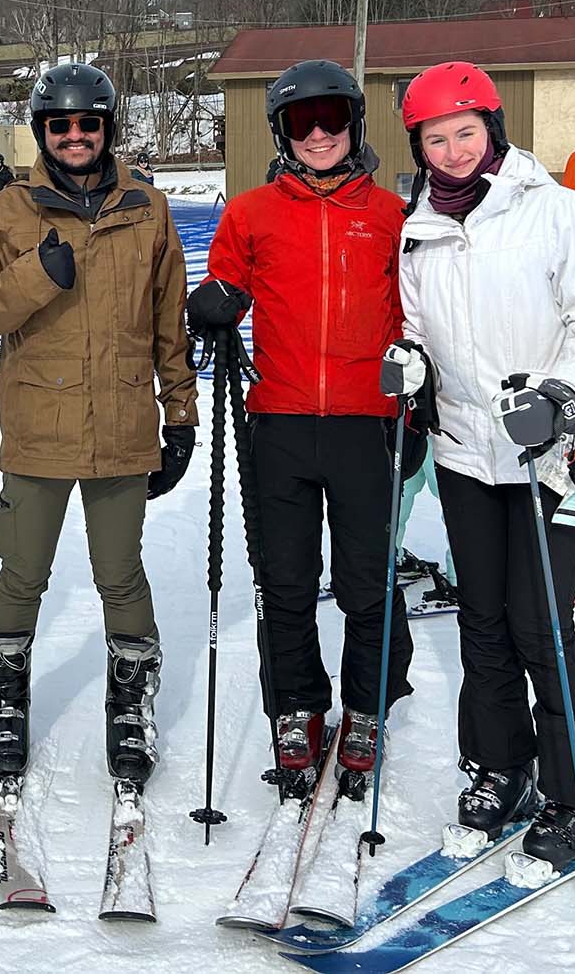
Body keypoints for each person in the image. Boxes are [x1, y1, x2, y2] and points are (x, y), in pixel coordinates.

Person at [383, 61, 575, 865]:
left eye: (465, 131)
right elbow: (419, 326)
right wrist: (413, 367)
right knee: (482, 624)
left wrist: (562, 396)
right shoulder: (418, 228)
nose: (453, 150)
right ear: (417, 146)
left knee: (540, 627)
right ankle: (502, 766)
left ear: (492, 128)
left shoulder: (552, 211)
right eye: (435, 137)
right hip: (465, 458)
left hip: (553, 457)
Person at [0, 62, 198, 788]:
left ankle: (130, 706)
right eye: (59, 125)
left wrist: (179, 415)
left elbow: (168, 326)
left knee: (120, 574)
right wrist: (38, 275)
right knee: (23, 570)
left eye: (87, 123)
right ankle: (3, 699)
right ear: (43, 132)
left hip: (122, 425)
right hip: (39, 423)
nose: (74, 136)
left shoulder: (148, 208)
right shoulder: (9, 211)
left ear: (107, 129)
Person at [185, 58, 413, 785]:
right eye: (300, 121)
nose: (318, 134)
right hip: (277, 420)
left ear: (354, 124)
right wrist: (213, 302)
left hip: (363, 422)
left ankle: (367, 706)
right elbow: (227, 280)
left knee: (365, 583)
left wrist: (417, 392)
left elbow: (416, 311)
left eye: (332, 118)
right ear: (281, 132)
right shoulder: (251, 211)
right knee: (283, 580)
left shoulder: (389, 215)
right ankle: (298, 706)